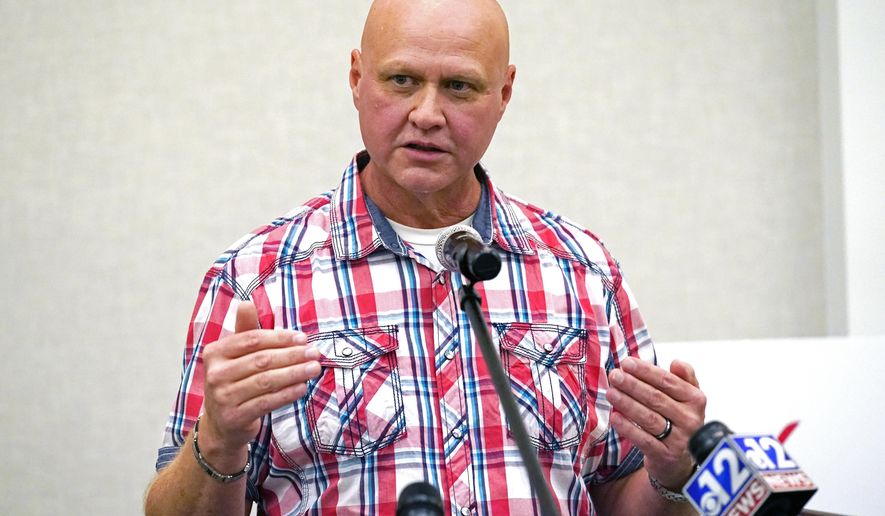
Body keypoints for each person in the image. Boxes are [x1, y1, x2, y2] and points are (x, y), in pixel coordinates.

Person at [144, 1, 706, 514]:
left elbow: (619, 493)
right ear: (357, 79)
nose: (427, 113)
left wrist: (671, 473)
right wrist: (218, 438)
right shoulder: (255, 280)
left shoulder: (582, 271)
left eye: (459, 86)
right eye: (402, 80)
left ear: (504, 96)